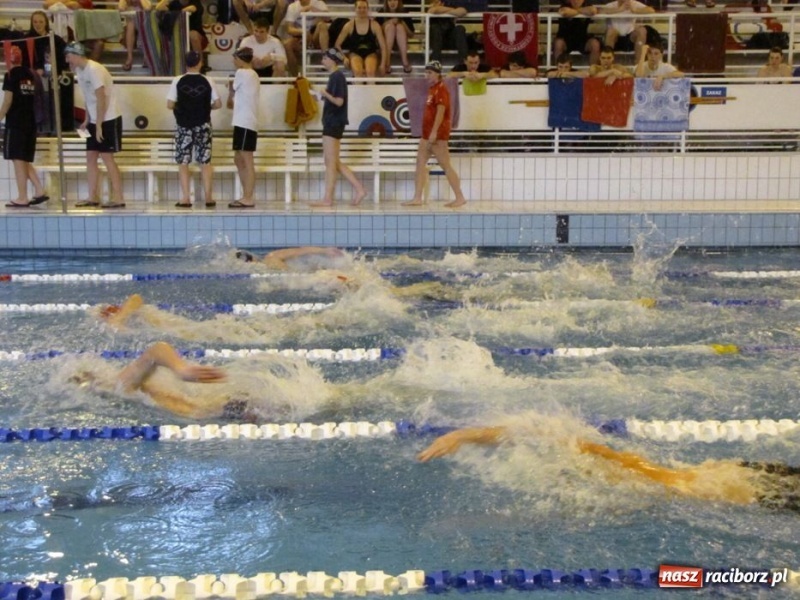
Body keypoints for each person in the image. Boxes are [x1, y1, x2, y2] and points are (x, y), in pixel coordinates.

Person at [417, 425, 800, 512]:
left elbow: (557, 438)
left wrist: (465, 435)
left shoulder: (636, 475)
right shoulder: (639, 476)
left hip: (745, 491)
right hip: (737, 479)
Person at [65, 42, 126, 209]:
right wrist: (87, 119)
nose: (67, 60)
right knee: (90, 156)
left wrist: (99, 124)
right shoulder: (80, 71)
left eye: (69, 56)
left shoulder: (94, 70)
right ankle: (93, 196)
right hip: (95, 119)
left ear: (77, 55)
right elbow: (88, 97)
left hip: (109, 118)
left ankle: (119, 197)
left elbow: (101, 98)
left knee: (107, 157)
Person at [404, 61, 466, 209]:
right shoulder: (432, 89)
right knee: (420, 163)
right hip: (427, 135)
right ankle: (417, 197)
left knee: (446, 166)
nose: (427, 76)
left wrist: (433, 132)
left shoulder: (441, 89)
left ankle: (460, 197)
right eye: (426, 73)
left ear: (438, 74)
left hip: (437, 136)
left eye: (430, 73)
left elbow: (441, 112)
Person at [310, 48, 367, 207]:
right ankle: (359, 189)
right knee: (333, 161)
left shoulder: (337, 77)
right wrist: (317, 95)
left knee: (330, 162)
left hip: (333, 122)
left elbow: (339, 101)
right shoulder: (335, 77)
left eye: (325, 58)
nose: (322, 60)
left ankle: (328, 198)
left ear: (332, 60)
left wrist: (324, 93)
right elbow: (333, 100)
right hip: (333, 121)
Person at [166, 50, 222, 209]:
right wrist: (204, 108)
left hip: (184, 125)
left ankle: (185, 198)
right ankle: (208, 198)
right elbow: (218, 104)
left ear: (185, 63)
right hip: (203, 125)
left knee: (183, 162)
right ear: (200, 63)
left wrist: (183, 108)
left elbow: (169, 104)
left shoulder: (177, 80)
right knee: (205, 162)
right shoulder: (208, 81)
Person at [1, 46, 49, 209]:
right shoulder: (31, 74)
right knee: (23, 159)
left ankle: (22, 197)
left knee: (18, 160)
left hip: (16, 123)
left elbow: (8, 101)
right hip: (31, 123)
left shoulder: (10, 75)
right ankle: (39, 190)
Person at [227, 46, 260, 209]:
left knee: (247, 161)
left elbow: (231, 90)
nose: (233, 61)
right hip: (244, 121)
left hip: (245, 122)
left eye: (235, 58)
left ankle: (248, 197)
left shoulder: (242, 73)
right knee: (238, 159)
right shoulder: (253, 74)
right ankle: (245, 194)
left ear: (240, 59)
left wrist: (229, 89)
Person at [335, 0, 388, 79]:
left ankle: (371, 89)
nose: (362, 10)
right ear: (355, 9)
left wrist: (383, 64)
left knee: (370, 72)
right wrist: (343, 57)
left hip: (371, 53)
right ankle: (358, 89)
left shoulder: (375, 25)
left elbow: (383, 47)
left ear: (368, 9)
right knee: (357, 72)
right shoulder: (349, 25)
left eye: (364, 8)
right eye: (359, 8)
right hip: (355, 53)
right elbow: (337, 45)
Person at [282, 0, 331, 76]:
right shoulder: (292, 7)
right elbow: (289, 28)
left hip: (315, 36)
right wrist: (303, 31)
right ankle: (296, 78)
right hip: (300, 36)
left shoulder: (318, 3)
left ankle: (326, 57)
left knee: (322, 25)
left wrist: (313, 9)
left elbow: (328, 18)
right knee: (287, 45)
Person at [600, 0, 654, 64]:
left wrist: (635, 10)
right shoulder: (612, 5)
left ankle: (639, 64)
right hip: (615, 39)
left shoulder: (634, 4)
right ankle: (608, 65)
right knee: (610, 31)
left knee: (642, 31)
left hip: (630, 38)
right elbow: (602, 11)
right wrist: (619, 9)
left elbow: (651, 10)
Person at [554, 0, 601, 67]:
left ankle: (593, 71)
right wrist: (582, 12)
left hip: (582, 39)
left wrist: (575, 11)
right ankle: (558, 71)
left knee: (595, 44)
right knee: (558, 43)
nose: (576, 1)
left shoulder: (587, 4)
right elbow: (564, 12)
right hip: (565, 39)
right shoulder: (565, 4)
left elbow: (592, 11)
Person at [26, 10, 68, 77]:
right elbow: (24, 61)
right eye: (35, 22)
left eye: (41, 22)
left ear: (46, 23)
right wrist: (35, 70)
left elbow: (65, 58)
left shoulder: (56, 40)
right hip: (32, 76)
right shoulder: (26, 40)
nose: (38, 24)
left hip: (54, 76)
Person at [378, 0, 414, 74]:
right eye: (390, 0)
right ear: (386, 2)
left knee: (399, 27)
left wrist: (401, 22)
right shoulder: (381, 12)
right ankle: (387, 62)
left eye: (395, 0)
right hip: (385, 43)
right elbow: (377, 33)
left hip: (401, 43)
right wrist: (388, 22)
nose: (392, 3)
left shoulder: (404, 13)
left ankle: (405, 61)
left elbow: (411, 34)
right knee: (390, 27)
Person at [426, 0, 468, 65]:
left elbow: (463, 11)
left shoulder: (449, 6)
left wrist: (443, 10)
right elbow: (433, 10)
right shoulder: (430, 8)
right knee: (435, 28)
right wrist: (453, 11)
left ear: (442, 3)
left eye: (437, 2)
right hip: (435, 41)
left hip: (449, 39)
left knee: (460, 28)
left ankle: (464, 63)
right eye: (433, 2)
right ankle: (435, 62)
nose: (435, 4)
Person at [118, 0, 152, 72]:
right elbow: (121, 8)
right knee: (131, 23)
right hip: (126, 38)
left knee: (146, 24)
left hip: (141, 31)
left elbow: (148, 8)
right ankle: (129, 57)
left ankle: (146, 56)